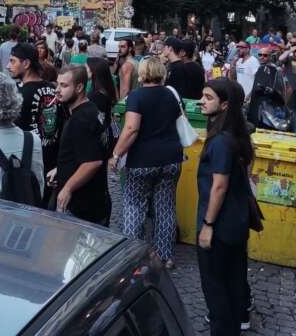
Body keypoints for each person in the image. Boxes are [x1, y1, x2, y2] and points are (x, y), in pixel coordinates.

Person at [109, 57, 183, 269]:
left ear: (142, 74)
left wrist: (116, 154)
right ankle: (165, 257)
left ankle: (134, 257)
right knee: (166, 208)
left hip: (142, 160)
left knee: (134, 206)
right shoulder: (171, 94)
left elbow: (131, 129)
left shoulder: (137, 96)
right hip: (171, 158)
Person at [196, 78, 254, 335]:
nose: (201, 101)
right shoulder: (238, 135)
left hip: (220, 224)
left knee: (216, 285)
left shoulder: (220, 141)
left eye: (208, 97)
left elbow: (219, 185)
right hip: (236, 221)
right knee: (233, 279)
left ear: (225, 105)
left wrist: (208, 224)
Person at [49, 66, 111, 224]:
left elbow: (92, 162)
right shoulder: (90, 108)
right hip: (94, 201)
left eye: (64, 86)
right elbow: (88, 149)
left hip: (83, 208)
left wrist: (68, 188)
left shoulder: (81, 119)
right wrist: (62, 169)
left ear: (79, 87)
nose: (57, 90)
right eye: (57, 84)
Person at [8, 42, 60, 178]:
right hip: (52, 162)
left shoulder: (17, 95)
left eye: (12, 61)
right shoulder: (53, 89)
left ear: (26, 64)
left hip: (29, 165)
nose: (8, 66)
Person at [246, 46, 283, 126]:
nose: (262, 57)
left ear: (270, 57)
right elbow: (256, 85)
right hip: (255, 104)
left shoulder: (274, 70)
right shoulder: (260, 68)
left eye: (265, 55)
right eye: (260, 55)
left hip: (266, 107)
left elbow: (277, 89)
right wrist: (248, 96)